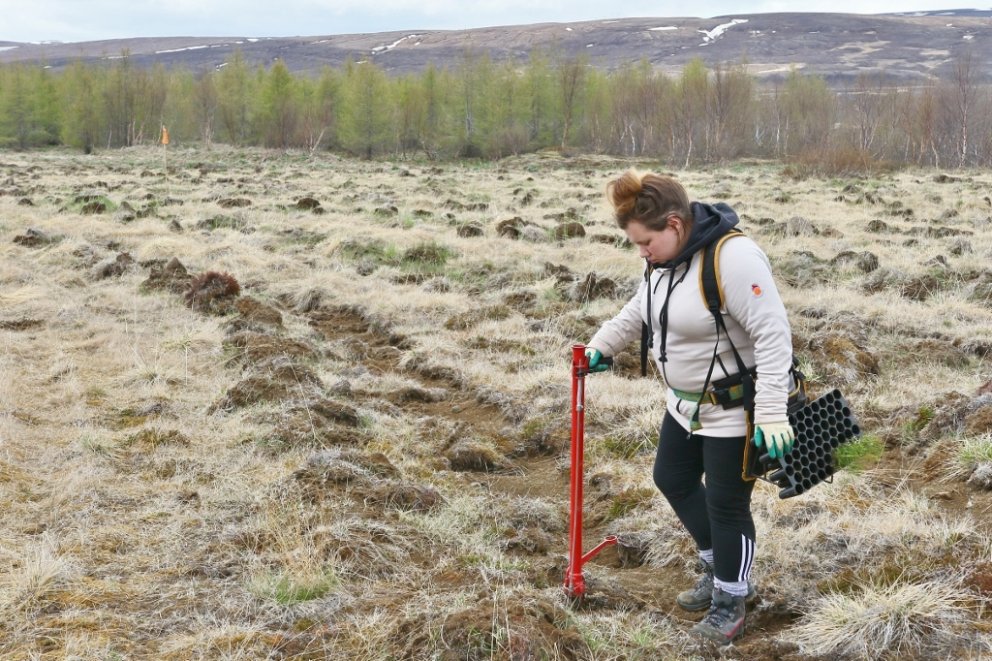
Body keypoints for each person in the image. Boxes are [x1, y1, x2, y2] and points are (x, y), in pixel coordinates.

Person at [584, 169, 795, 645]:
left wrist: (772, 412)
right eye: (636, 244)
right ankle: (716, 566)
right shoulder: (663, 263)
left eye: (645, 242)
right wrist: (602, 345)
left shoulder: (733, 258)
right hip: (684, 405)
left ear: (675, 225)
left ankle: (731, 599)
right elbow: (642, 308)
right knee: (671, 478)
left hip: (732, 409)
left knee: (726, 505)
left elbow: (773, 335)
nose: (641, 252)